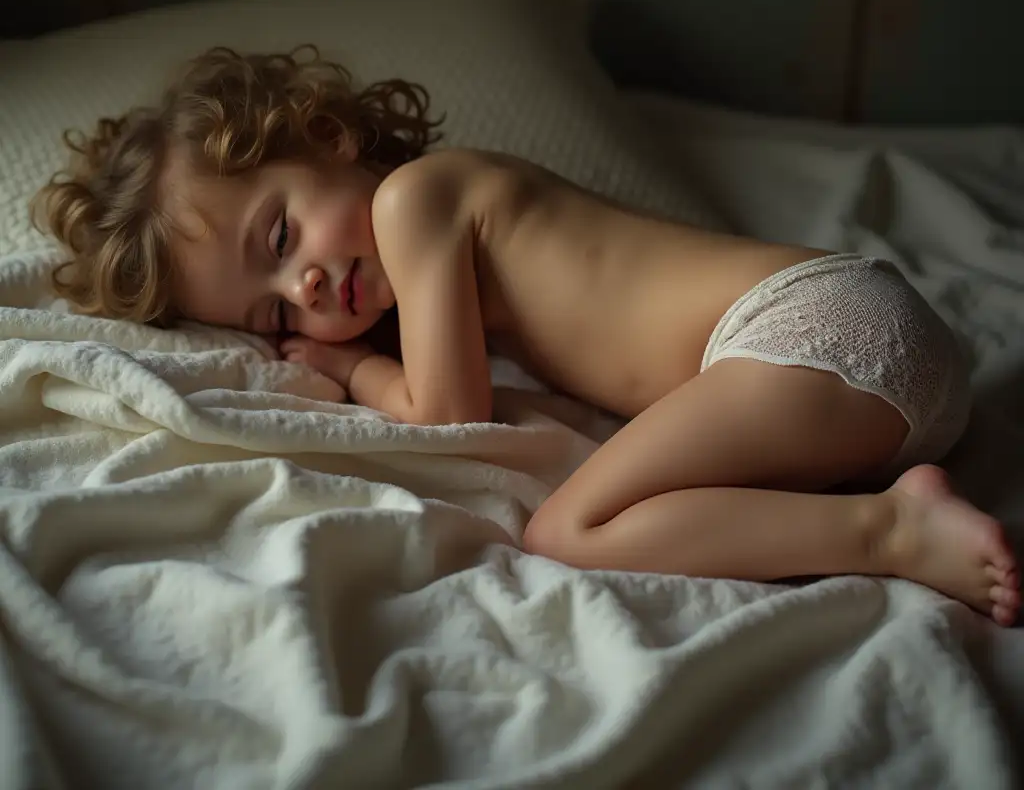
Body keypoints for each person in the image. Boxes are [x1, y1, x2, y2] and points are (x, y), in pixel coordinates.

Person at [35, 45, 1020, 626]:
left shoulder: (419, 200)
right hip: (872, 379)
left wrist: (353, 365)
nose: (306, 287)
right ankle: (883, 503)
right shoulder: (457, 277)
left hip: (823, 332)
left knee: (565, 532)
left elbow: (446, 410)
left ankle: (887, 530)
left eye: (282, 235)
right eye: (275, 313)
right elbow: (547, 410)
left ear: (327, 141)